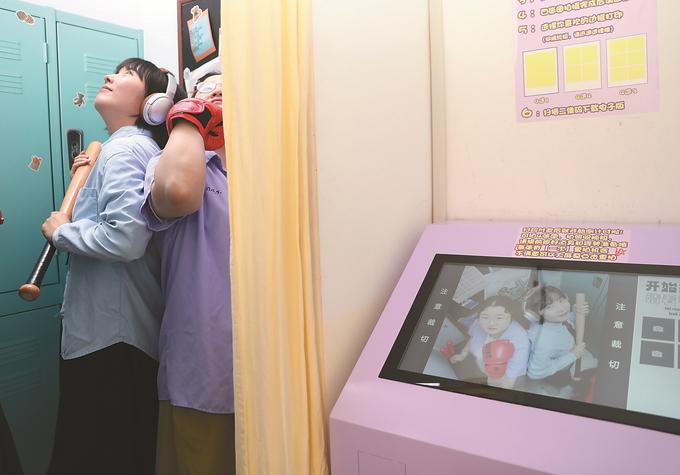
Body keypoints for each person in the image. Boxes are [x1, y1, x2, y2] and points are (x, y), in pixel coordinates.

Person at [41, 58, 186, 475]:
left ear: (153, 105)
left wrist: (61, 232)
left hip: (110, 341)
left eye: (126, 75)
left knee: (100, 456)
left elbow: (125, 238)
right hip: (113, 336)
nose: (109, 76)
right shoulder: (123, 150)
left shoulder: (124, 149)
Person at [140, 72, 235, 475]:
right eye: (208, 86)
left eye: (229, 84)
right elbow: (178, 193)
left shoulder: (264, 175)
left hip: (266, 370)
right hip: (204, 374)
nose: (220, 90)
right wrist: (190, 116)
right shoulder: (171, 164)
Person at [524, 285, 595, 398]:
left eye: (561, 300)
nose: (561, 309)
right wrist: (572, 355)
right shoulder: (544, 342)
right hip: (559, 371)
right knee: (565, 383)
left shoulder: (553, 319)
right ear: (537, 314)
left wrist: (576, 313)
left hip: (569, 356)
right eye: (549, 307)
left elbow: (566, 323)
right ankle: (556, 387)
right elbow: (535, 373)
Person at [448, 295, 529, 389]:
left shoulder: (519, 341)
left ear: (511, 316)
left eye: (499, 317)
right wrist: (462, 355)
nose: (491, 323)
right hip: (480, 367)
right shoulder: (479, 324)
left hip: (503, 380)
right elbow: (474, 339)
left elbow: (508, 383)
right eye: (485, 317)